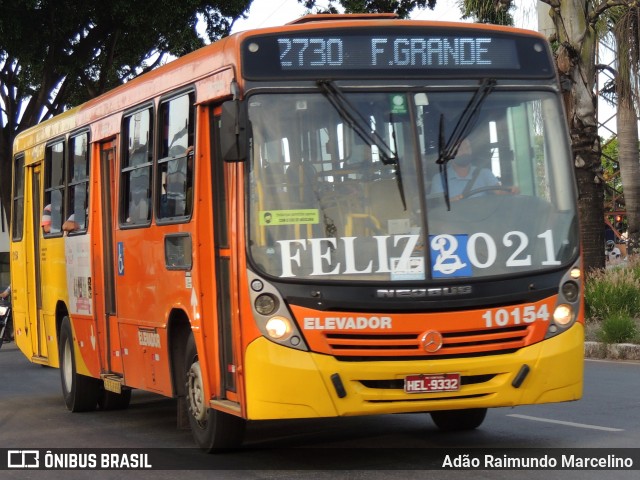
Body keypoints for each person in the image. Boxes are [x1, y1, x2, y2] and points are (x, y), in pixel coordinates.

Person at [430, 139, 518, 200]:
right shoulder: (439, 179)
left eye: (467, 148)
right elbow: (438, 207)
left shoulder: (485, 174)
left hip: (483, 224)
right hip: (452, 225)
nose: (465, 152)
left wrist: (511, 190)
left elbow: (499, 191)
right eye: (460, 149)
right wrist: (453, 202)